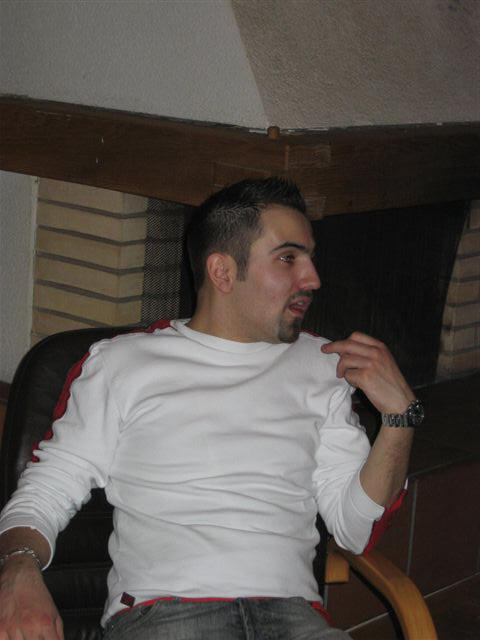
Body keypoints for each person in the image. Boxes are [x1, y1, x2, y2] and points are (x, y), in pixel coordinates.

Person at [0, 177, 421, 640]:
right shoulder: (122, 363)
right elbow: (50, 486)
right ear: (222, 271)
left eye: (310, 257)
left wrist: (399, 418)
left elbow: (356, 529)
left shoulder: (324, 366)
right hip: (164, 618)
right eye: (288, 258)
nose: (313, 279)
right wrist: (18, 568)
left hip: (295, 620)